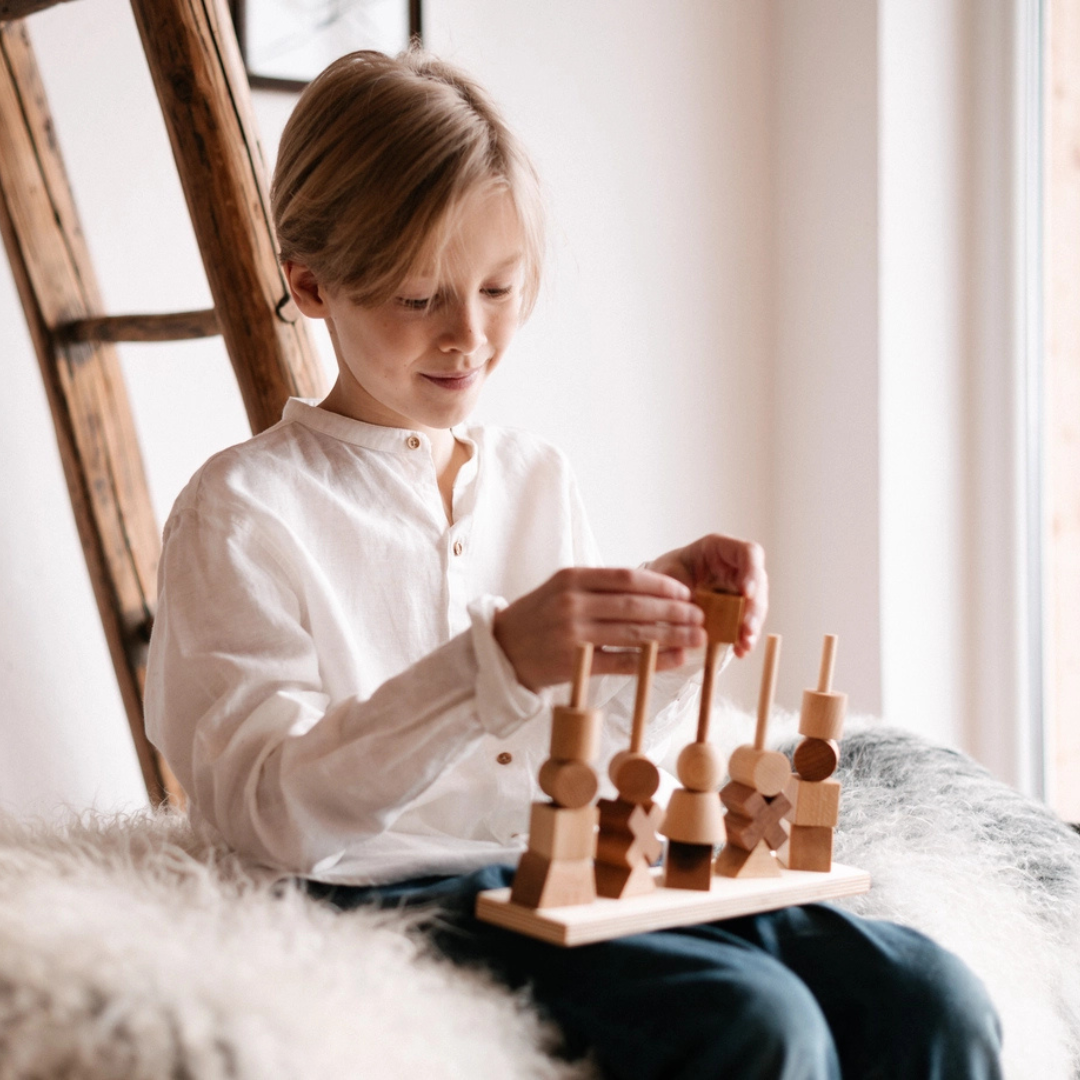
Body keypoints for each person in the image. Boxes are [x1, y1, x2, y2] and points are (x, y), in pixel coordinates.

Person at [145, 48, 1003, 1080]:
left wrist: (667, 624)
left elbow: (578, 725)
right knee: (758, 1025)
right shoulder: (240, 511)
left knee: (935, 996)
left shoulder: (534, 475)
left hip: (582, 867)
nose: (471, 335)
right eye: (422, 298)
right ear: (312, 284)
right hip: (387, 889)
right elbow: (264, 807)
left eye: (500, 288)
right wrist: (491, 661)